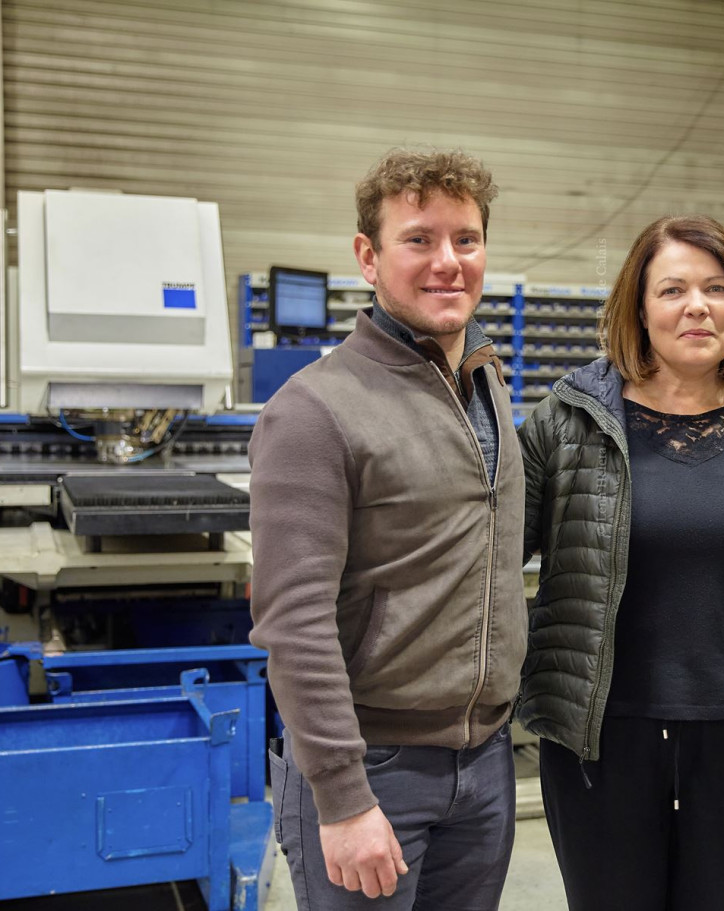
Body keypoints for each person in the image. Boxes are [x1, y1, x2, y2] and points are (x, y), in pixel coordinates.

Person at [516, 214, 724, 911]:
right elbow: (493, 558)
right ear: (639, 306)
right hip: (600, 740)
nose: (697, 305)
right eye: (673, 289)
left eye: (717, 287)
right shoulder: (568, 421)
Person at [248, 148, 525, 910]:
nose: (449, 262)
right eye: (419, 239)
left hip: (485, 766)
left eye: (466, 240)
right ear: (368, 257)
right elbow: (292, 620)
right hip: (372, 768)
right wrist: (340, 795)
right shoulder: (314, 410)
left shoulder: (486, 384)